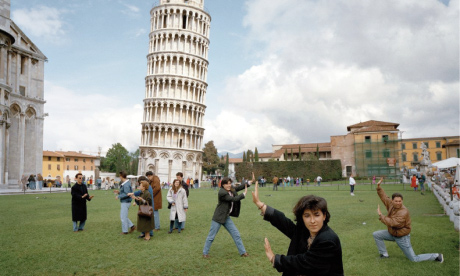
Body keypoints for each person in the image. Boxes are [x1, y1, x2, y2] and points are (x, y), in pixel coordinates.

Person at [251, 181, 343, 275]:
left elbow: (304, 263)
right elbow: (285, 224)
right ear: (302, 218)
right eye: (307, 216)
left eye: (316, 215)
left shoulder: (328, 240)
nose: (312, 221)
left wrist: (274, 259)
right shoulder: (305, 231)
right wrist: (261, 205)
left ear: (324, 216)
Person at [373, 177, 444, 262]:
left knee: (414, 259)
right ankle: (384, 254)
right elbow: (384, 197)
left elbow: (393, 223)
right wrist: (378, 186)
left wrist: (381, 215)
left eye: (400, 201)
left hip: (402, 237)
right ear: (392, 201)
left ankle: (436, 256)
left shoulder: (404, 211)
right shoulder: (391, 204)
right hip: (393, 233)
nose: (398, 203)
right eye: (396, 201)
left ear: (402, 201)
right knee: (376, 235)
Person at [203, 177, 249, 258]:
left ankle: (243, 252)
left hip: (226, 217)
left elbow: (237, 188)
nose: (228, 185)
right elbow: (233, 199)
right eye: (226, 184)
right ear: (223, 185)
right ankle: (205, 253)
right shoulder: (222, 192)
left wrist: (248, 183)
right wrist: (243, 194)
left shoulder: (230, 189)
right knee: (211, 237)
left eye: (229, 183)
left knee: (236, 234)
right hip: (218, 217)